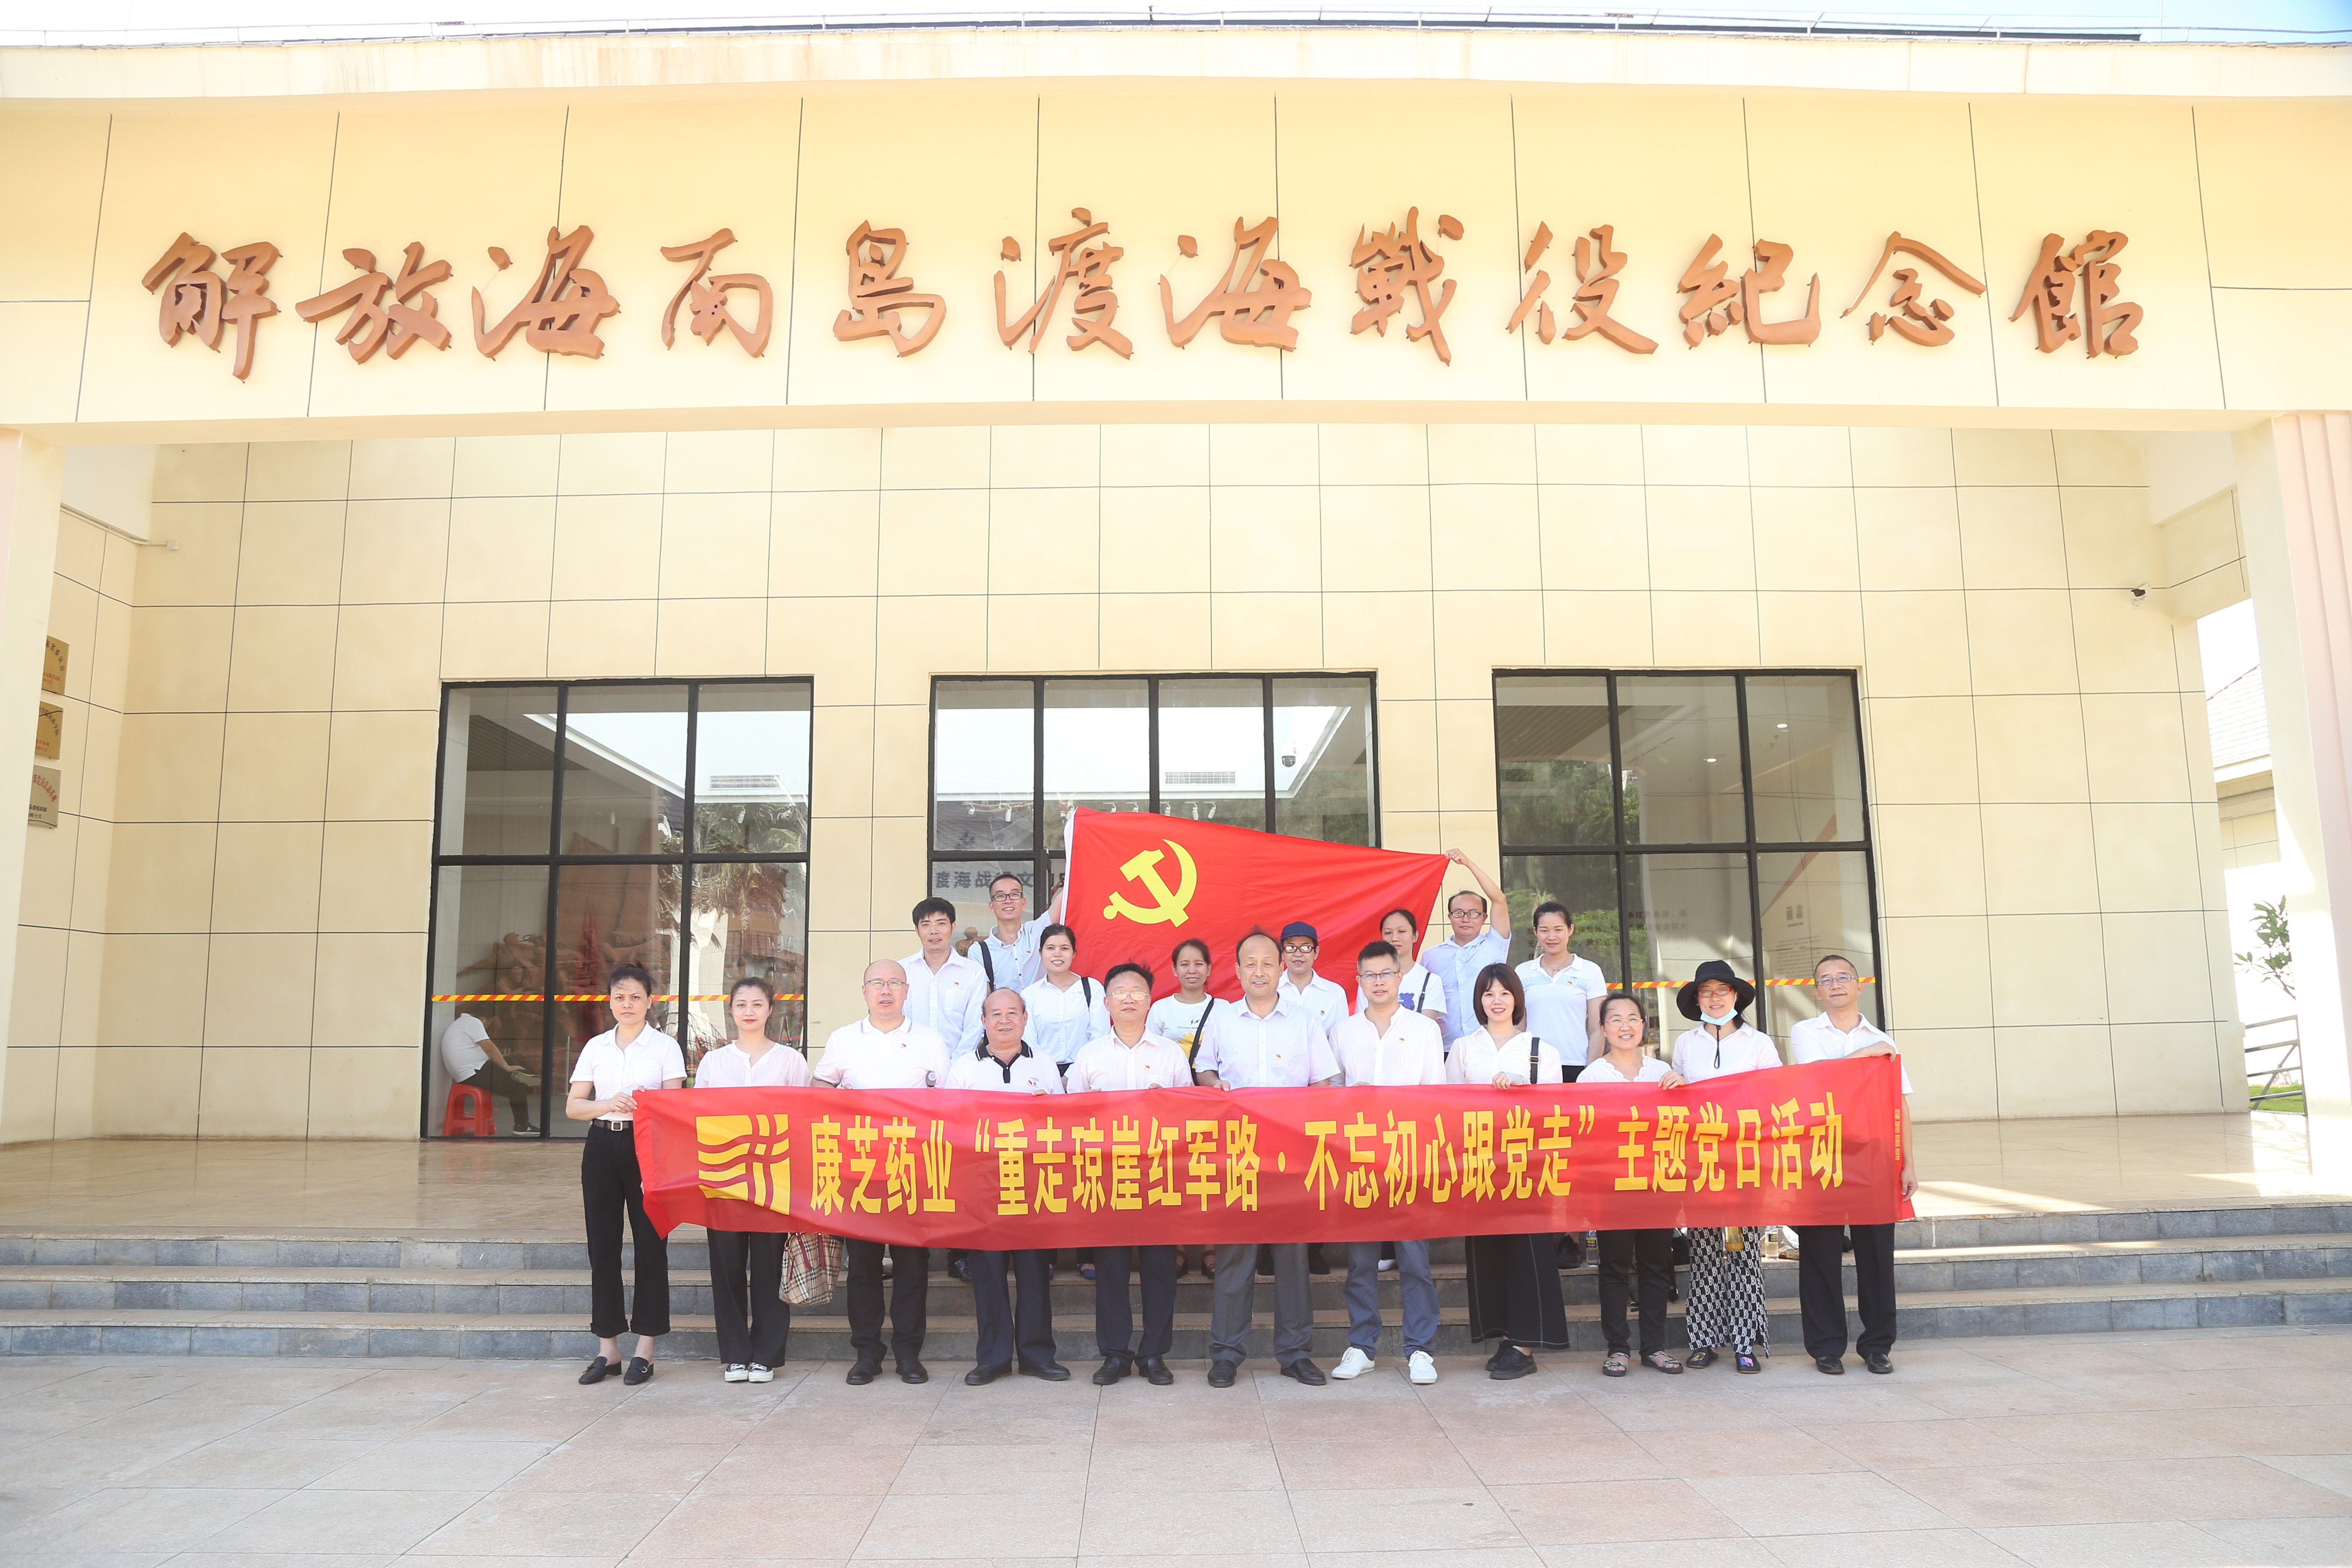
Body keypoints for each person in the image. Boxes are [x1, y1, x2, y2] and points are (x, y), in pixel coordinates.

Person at [1193, 929, 1340, 1387]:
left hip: (1290, 1154)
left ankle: (1295, 1353)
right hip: (1238, 1152)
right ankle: (1226, 1354)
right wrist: (1214, 1084)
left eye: (1267, 963)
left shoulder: (1304, 1021)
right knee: (1235, 1256)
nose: (1259, 971)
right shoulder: (1222, 1019)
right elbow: (1204, 1067)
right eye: (1250, 963)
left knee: (1292, 1257)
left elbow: (1323, 1081)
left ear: (1281, 968)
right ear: (1237, 970)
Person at [814, 958, 952, 1386]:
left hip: (912, 1167)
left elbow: (950, 1100)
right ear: (865, 992)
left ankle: (909, 1353)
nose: (886, 990)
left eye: (894, 983)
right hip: (859, 1169)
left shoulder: (930, 1040)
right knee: (863, 1265)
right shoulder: (843, 1039)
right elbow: (819, 1090)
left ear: (907, 991)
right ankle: (867, 1353)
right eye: (877, 983)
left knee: (912, 1264)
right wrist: (839, 1099)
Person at [1787, 953, 1917, 1376]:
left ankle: (1877, 1345)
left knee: (1877, 1255)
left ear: (1860, 986)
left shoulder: (1883, 1039)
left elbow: (1899, 1106)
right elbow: (1819, 1080)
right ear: (1817, 991)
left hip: (1874, 1157)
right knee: (1819, 1253)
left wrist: (1908, 1164)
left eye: (1843, 977)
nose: (1836, 984)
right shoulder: (1805, 1032)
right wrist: (1868, 1055)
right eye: (1826, 979)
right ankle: (1826, 1347)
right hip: (1820, 1154)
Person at [1328, 940, 1448, 1386]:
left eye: (1386, 973)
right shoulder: (1343, 1032)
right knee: (1361, 1262)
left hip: (1409, 1157)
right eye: (1370, 975)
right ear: (1359, 981)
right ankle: (1362, 1346)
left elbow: (1436, 1095)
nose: (1378, 982)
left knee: (1415, 1260)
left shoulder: (1424, 1030)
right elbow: (1328, 1096)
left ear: (1400, 977)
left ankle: (1421, 1349)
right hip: (1358, 1159)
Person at [1069, 962, 1192, 1387]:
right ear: (1106, 1003)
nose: (1128, 998)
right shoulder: (1090, 1055)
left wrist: (1167, 1104)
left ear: (1150, 1001)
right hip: (1106, 1178)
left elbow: (1190, 1117)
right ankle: (1115, 1354)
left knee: (1160, 1269)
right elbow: (1069, 1118)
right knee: (1111, 1270)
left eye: (1137, 991)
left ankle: (1154, 1354)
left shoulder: (1170, 1054)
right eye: (1119, 992)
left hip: (1158, 1176)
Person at [565, 963, 686, 1387]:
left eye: (635, 997)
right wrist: (608, 1104)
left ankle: (645, 1350)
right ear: (610, 1002)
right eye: (620, 997)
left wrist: (646, 1106)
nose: (627, 1004)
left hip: (647, 1149)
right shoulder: (596, 1047)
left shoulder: (665, 1047)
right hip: (601, 1146)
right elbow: (574, 1106)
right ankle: (608, 1350)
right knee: (603, 1248)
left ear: (650, 1002)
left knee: (651, 1246)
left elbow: (675, 1107)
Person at [945, 988, 1069, 1385]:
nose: (1004, 1020)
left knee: (1034, 1274)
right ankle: (993, 1358)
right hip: (982, 1186)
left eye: (1012, 1013)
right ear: (983, 1021)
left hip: (1033, 1185)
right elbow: (949, 1126)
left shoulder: (1044, 1064)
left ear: (1025, 1019)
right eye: (995, 1014)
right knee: (988, 1275)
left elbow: (1065, 1124)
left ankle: (1037, 1355)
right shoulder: (964, 1068)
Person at [1455, 964, 1571, 1380]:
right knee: (1488, 1252)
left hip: (1528, 1165)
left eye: (1505, 993)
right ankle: (1506, 1336)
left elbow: (1558, 1112)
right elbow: (1448, 1107)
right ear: (1479, 1001)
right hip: (1480, 1163)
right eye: (1489, 994)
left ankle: (1525, 1345)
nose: (1497, 1001)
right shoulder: (1464, 1048)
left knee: (1529, 1252)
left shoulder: (1541, 1049)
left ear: (1517, 999)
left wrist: (1527, 1088)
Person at [692, 976, 810, 1384]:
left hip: (772, 1180)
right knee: (726, 1267)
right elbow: (696, 1118)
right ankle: (735, 1355)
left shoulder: (791, 1061)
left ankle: (766, 1355)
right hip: (723, 1177)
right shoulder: (713, 1062)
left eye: (757, 1004)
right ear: (731, 1010)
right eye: (741, 1004)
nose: (749, 1011)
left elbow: (805, 1119)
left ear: (770, 1010)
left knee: (768, 1268)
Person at [1669, 958, 1781, 1373]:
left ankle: (1746, 1342)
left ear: (1736, 996)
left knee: (1744, 1253)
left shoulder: (1759, 1043)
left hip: (1746, 1163)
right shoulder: (1686, 1044)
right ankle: (1703, 1341)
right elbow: (1673, 1098)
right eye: (1706, 992)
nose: (1715, 999)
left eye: (1722, 991)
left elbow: (1776, 1096)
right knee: (1704, 1254)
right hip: (1700, 1162)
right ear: (1697, 1000)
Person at [1578, 995, 1689, 1376]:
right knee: (1614, 1266)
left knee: (1657, 1265)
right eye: (1615, 1020)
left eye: (1633, 1019)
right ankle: (1618, 1348)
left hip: (1658, 1183)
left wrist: (1684, 1089)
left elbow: (1682, 1123)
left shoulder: (1662, 1071)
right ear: (1603, 1028)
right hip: (1613, 1187)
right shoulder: (1591, 1076)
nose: (1625, 1027)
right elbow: (1585, 1133)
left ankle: (1654, 1347)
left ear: (1644, 1026)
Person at [1145, 935, 1222, 1279]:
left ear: (1209, 969)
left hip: (1211, 1105)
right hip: (1168, 1105)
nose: (1192, 970)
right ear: (1174, 970)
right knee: (1172, 1173)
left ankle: (1210, 1246)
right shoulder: (1160, 1010)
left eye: (1199, 964)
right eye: (1185, 964)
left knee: (1208, 1173)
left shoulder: (1225, 1010)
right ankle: (1176, 1246)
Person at [1421, 851, 1512, 1051]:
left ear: (1484, 917)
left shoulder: (1494, 946)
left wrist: (1469, 863)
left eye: (1473, 914)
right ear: (1449, 917)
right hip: (1443, 1047)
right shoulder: (1431, 956)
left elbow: (1499, 900)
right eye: (1459, 913)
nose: (1466, 919)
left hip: (1488, 1045)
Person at [1516, 901, 1608, 1070]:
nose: (1551, 937)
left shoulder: (1590, 971)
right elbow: (1519, 1027)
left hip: (1577, 1063)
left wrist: (1590, 1072)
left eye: (1558, 930)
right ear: (1535, 932)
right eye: (1544, 931)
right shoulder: (1522, 972)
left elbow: (1598, 1029)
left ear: (1570, 930)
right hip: (1533, 1065)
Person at [1020, 925, 1109, 1075]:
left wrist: (1071, 1075)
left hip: (1086, 1072)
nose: (1057, 954)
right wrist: (1051, 1076)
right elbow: (1029, 1043)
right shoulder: (1029, 995)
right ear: (1041, 953)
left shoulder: (1092, 989)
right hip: (1042, 1074)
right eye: (1051, 948)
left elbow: (1099, 1037)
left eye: (1064, 949)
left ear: (1074, 953)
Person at [903, 897, 987, 1051]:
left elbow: (975, 1025)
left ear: (953, 927)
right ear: (917, 930)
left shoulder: (973, 972)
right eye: (926, 925)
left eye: (941, 924)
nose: (934, 931)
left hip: (957, 1061)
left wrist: (957, 1062)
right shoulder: (902, 971)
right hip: (910, 1061)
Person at [961, 870, 1064, 992]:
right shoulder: (979, 951)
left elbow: (1066, 896)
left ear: (1023, 903)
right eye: (1000, 896)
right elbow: (984, 995)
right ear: (992, 907)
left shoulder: (1037, 931)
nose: (1008, 901)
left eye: (1014, 895)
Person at [440, 1010, 539, 1134]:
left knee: (510, 1064)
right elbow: (489, 1047)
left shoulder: (462, 1023)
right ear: (483, 1018)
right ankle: (522, 1125)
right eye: (490, 1023)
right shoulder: (473, 1022)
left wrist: (502, 1058)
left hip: (467, 1072)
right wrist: (506, 1067)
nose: (489, 1026)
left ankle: (525, 1077)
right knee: (517, 1083)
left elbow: (475, 1054)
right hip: (472, 1074)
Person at [1354, 908, 1448, 1033]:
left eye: (1402, 931)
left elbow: (1424, 1030)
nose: (1394, 938)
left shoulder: (1430, 981)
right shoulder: (1370, 979)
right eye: (1388, 933)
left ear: (1415, 936)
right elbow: (1364, 1023)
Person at [1275, 922, 1349, 1037]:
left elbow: (1341, 1039)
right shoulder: (1271, 989)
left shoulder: (1335, 993)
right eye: (1291, 948)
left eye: (1306, 948)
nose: (1298, 954)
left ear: (1316, 952)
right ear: (1282, 953)